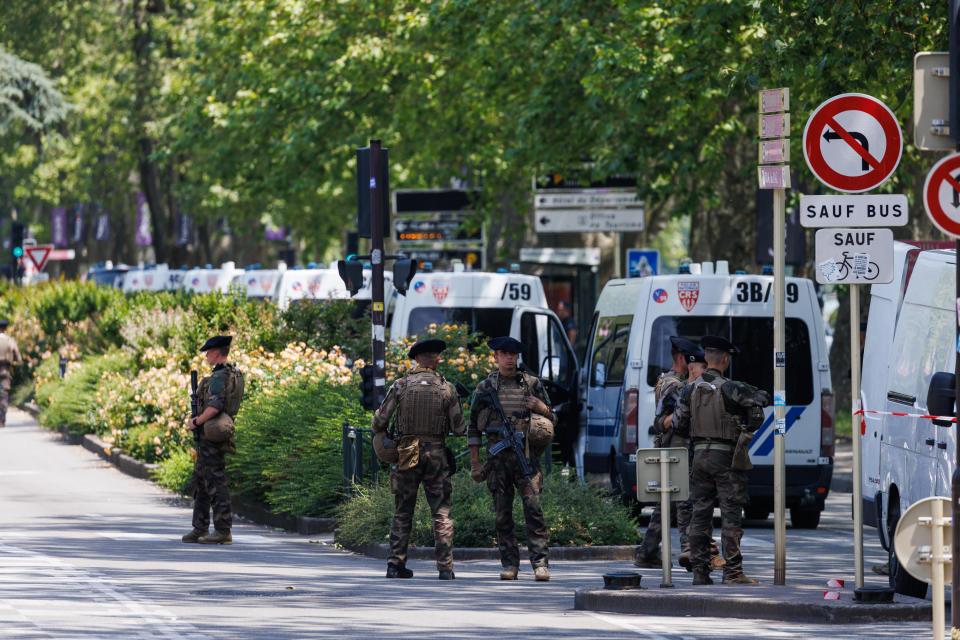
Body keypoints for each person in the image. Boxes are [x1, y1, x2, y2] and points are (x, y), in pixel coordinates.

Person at [673, 335, 771, 585]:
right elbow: (762, 399)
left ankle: (700, 573)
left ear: (706, 358)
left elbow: (678, 425)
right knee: (730, 517)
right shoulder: (731, 387)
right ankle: (733, 573)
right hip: (726, 458)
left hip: (699, 458)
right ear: (725, 359)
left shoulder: (688, 389)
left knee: (700, 516)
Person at [371, 338, 466, 580]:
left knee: (403, 510)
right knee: (441, 513)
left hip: (407, 450)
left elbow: (378, 423)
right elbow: (459, 428)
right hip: (436, 452)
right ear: (437, 359)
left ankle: (395, 565)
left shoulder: (401, 385)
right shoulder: (448, 388)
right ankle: (445, 568)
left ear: (415, 360)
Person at [468, 336, 556, 582]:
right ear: (495, 356)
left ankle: (540, 563)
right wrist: (475, 463)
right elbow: (473, 428)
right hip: (497, 462)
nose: (509, 358)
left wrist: (541, 408)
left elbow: (554, 418)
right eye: (504, 353)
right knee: (502, 513)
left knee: (533, 509)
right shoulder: (485, 388)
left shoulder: (533, 384)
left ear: (517, 357)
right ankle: (509, 564)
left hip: (526, 459)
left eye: (512, 354)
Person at [634, 336, 692, 567]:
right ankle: (689, 549)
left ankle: (647, 552)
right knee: (683, 498)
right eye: (692, 359)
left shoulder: (669, 381)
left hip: (672, 449)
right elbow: (670, 420)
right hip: (676, 449)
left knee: (666, 503)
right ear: (681, 358)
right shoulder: (673, 384)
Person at [182, 335, 245, 545]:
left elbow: (215, 405)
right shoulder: (230, 373)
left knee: (215, 481)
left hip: (211, 433)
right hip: (213, 431)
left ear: (217, 352)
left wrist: (197, 421)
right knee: (201, 480)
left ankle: (222, 530)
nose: (206, 355)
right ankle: (199, 528)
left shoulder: (219, 376)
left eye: (208, 352)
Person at [0, 320, 21, 428]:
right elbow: (17, 356)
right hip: (4, 370)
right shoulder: (9, 341)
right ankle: (2, 419)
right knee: (3, 396)